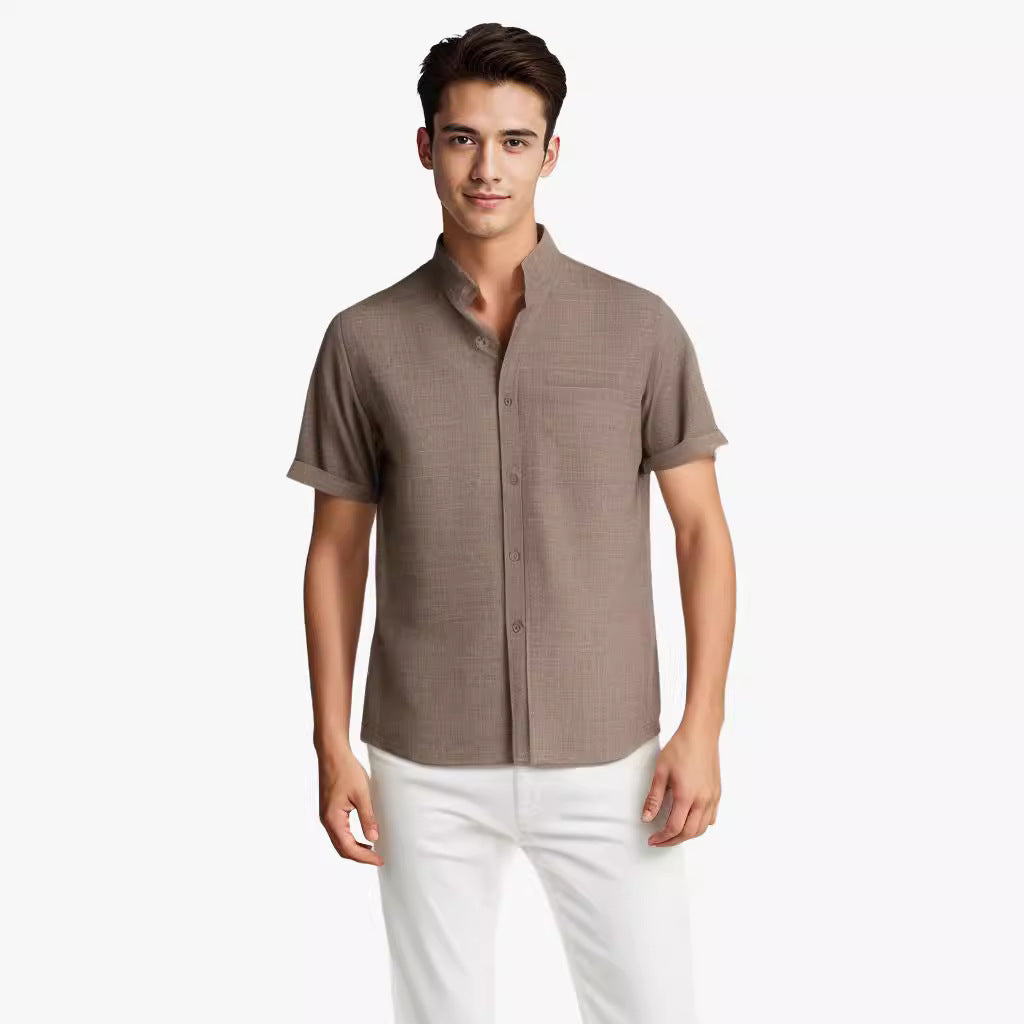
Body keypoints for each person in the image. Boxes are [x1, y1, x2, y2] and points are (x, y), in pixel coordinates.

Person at [285, 21, 735, 1024]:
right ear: (425, 147)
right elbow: (336, 551)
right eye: (462, 139)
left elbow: (701, 532)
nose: (487, 167)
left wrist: (701, 726)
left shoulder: (640, 327)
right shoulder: (362, 340)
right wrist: (330, 742)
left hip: (610, 756)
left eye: (514, 141)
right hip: (423, 759)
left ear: (551, 153)